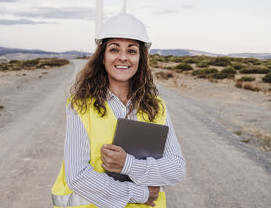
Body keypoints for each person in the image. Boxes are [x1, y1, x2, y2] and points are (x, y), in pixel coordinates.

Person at [51, 13, 186, 208]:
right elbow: (78, 177)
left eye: (132, 51)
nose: (123, 57)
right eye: (114, 49)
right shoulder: (80, 105)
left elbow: (176, 169)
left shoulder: (157, 107)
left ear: (141, 58)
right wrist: (140, 193)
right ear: (103, 57)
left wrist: (128, 165)